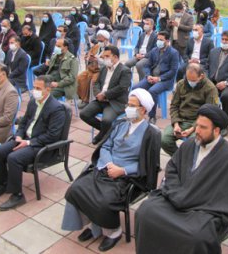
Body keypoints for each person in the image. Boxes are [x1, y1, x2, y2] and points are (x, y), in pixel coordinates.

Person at [135, 104, 228, 254]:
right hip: (176, 199)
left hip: (203, 210)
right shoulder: (189, 145)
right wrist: (177, 194)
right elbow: (172, 170)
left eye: (203, 128)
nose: (197, 131)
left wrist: (188, 198)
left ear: (217, 130)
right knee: (145, 212)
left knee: (197, 237)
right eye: (197, 125)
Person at [62, 88, 161, 252]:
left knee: (104, 201)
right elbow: (106, 145)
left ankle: (113, 232)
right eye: (127, 104)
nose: (127, 108)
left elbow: (148, 165)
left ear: (143, 109)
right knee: (76, 189)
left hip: (126, 176)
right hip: (105, 167)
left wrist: (122, 170)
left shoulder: (151, 134)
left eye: (132, 105)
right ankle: (94, 225)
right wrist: (108, 163)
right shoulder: (121, 123)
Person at [0, 75, 66, 211]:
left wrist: (29, 142)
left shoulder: (56, 108)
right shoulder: (33, 102)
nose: (34, 91)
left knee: (13, 158)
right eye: (34, 87)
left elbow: (53, 135)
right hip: (24, 138)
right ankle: (2, 183)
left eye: (38, 88)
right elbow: (24, 122)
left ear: (48, 90)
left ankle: (17, 195)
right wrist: (18, 136)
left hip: (40, 145)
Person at [161, 63, 219, 156]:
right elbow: (174, 106)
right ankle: (179, 159)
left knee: (194, 144)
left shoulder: (210, 88)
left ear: (201, 76)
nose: (190, 82)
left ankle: (189, 162)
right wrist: (176, 124)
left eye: (193, 80)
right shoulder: (181, 84)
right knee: (165, 140)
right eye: (188, 79)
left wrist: (193, 128)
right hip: (181, 120)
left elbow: (209, 113)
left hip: (198, 122)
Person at [79, 46, 131, 145]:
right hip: (100, 100)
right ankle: (107, 132)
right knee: (84, 114)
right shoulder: (104, 69)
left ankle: (102, 134)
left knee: (106, 120)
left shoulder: (124, 70)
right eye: (104, 56)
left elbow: (122, 88)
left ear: (115, 57)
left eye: (107, 56)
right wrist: (98, 93)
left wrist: (105, 94)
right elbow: (96, 83)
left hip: (115, 101)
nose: (104, 59)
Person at [132, 31, 179, 124]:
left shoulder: (173, 53)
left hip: (165, 80)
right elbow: (147, 65)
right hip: (152, 77)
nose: (159, 42)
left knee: (152, 91)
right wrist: (148, 75)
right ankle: (137, 112)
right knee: (135, 88)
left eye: (161, 40)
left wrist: (159, 78)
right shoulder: (154, 50)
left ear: (167, 41)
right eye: (158, 39)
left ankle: (152, 116)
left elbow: (173, 71)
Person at [76, 30, 110, 108]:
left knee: (93, 80)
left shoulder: (110, 48)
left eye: (101, 40)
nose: (99, 42)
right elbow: (88, 54)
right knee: (80, 77)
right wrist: (88, 58)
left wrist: (97, 59)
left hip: (102, 70)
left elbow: (108, 63)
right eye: (98, 40)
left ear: (106, 39)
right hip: (92, 68)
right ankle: (84, 99)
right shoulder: (96, 46)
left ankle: (92, 102)